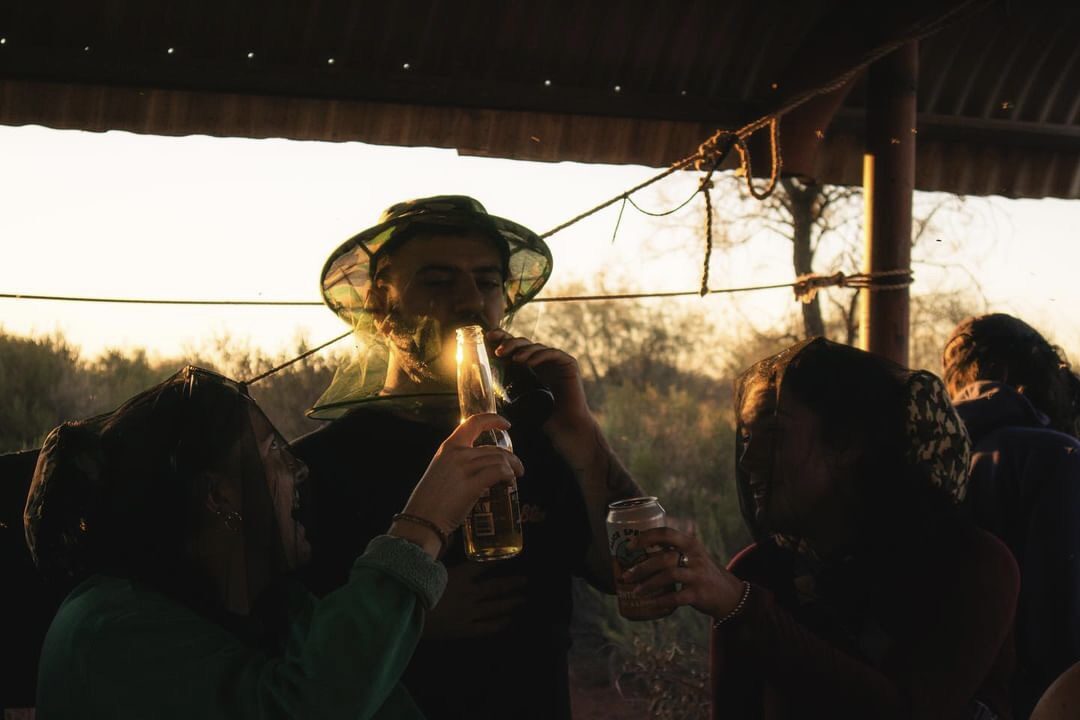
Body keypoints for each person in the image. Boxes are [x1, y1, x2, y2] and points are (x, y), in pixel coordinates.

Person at [294, 195, 642, 719]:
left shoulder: (543, 440)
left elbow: (627, 572)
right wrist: (404, 616)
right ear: (382, 309)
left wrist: (581, 433)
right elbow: (275, 643)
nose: (469, 301)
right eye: (437, 281)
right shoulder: (316, 466)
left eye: (486, 282)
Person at [24, 365, 523, 719]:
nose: (298, 470)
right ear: (219, 494)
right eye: (273, 455)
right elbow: (300, 707)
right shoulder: (105, 630)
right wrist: (422, 524)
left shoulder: (265, 605)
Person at [622, 338, 1019, 719]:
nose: (748, 460)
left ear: (846, 444)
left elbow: (908, 711)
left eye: (773, 435)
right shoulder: (759, 571)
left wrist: (744, 608)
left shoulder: (971, 566)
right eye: (746, 437)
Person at [943, 313, 1080, 718]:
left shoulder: (928, 462)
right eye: (1050, 365)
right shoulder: (1057, 457)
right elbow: (1063, 619)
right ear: (998, 372)